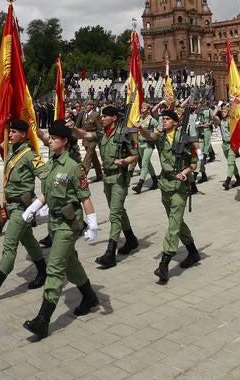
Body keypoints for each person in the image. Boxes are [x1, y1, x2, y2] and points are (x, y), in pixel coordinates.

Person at [22, 119, 98, 340]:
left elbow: (85, 197)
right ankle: (89, 296)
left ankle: (43, 320)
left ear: (65, 141)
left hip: (68, 225)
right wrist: (34, 208)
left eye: (54, 139)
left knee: (54, 268)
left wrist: (92, 224)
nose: (50, 142)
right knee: (70, 263)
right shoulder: (52, 164)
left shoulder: (73, 167)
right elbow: (46, 192)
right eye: (50, 138)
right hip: (54, 224)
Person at [0, 119, 47, 303]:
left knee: (9, 245)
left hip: (22, 208)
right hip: (10, 205)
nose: (11, 134)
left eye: (15, 131)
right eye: (11, 131)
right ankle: (43, 271)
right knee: (29, 241)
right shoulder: (11, 150)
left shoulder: (30, 155)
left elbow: (46, 176)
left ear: (23, 134)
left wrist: (40, 204)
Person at [137, 108, 200, 285]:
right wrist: (141, 130)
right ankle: (193, 252)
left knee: (173, 224)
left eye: (167, 119)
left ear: (175, 121)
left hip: (180, 185)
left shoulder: (184, 138)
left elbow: (195, 162)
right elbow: (150, 137)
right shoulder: (161, 136)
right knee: (176, 221)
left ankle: (164, 264)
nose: (163, 121)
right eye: (162, 119)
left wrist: (186, 171)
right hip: (165, 183)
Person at [72, 104, 139, 269]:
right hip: (107, 178)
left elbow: (135, 155)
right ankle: (130, 239)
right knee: (118, 210)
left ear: (114, 118)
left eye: (104, 116)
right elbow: (86, 134)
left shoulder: (124, 134)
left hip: (119, 177)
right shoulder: (102, 134)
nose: (102, 118)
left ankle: (110, 253)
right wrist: (74, 128)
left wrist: (125, 161)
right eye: (102, 116)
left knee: (114, 214)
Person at [213, 102, 240, 190]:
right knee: (232, 163)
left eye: (225, 112)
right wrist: (218, 106)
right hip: (224, 145)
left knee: (230, 163)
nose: (223, 113)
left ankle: (227, 181)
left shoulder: (231, 120)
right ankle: (238, 180)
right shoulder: (220, 121)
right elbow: (213, 116)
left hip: (232, 145)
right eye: (222, 112)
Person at [132, 102, 160, 194]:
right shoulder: (140, 118)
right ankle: (155, 181)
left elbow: (159, 129)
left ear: (148, 110)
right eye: (141, 108)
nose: (142, 110)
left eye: (144, 108)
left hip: (148, 144)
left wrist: (155, 136)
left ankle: (139, 185)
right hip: (140, 144)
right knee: (148, 164)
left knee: (144, 163)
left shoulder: (151, 120)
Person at [80, 102, 103, 183]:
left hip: (93, 139)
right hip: (86, 139)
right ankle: (99, 174)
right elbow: (83, 127)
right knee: (94, 158)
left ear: (92, 106)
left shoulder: (96, 115)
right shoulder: (84, 114)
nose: (85, 107)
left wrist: (98, 139)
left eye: (87, 105)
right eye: (84, 105)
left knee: (88, 158)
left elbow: (100, 128)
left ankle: (82, 178)